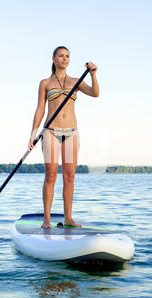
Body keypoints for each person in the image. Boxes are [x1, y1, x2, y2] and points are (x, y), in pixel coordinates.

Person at [28, 46, 99, 228]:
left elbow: (95, 93)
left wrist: (92, 74)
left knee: (69, 177)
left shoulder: (76, 81)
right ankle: (46, 219)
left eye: (67, 56)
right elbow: (40, 109)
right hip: (50, 131)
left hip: (72, 132)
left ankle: (68, 218)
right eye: (60, 56)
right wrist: (33, 134)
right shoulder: (45, 83)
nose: (64, 58)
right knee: (51, 175)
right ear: (53, 59)